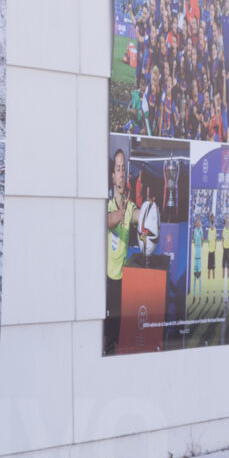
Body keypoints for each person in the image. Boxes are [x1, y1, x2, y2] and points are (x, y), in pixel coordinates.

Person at [105, 148, 135, 355]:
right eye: (118, 169)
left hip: (125, 281)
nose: (121, 174)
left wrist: (149, 215)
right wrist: (119, 214)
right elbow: (109, 220)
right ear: (113, 175)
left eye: (124, 169)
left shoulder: (131, 206)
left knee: (120, 338)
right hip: (108, 281)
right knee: (106, 337)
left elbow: (139, 216)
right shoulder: (106, 205)